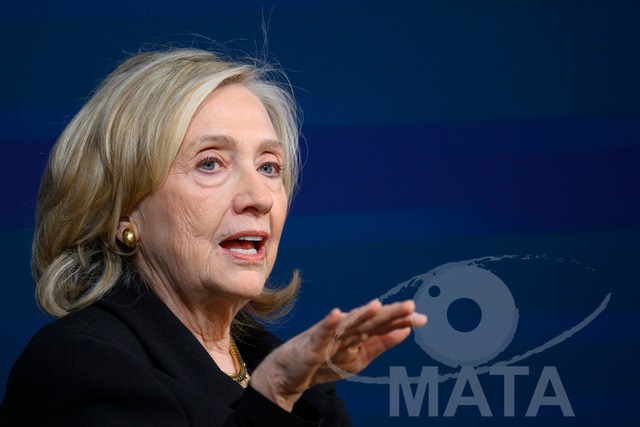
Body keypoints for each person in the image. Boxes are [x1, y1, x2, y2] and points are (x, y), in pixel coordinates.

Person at [0, 48, 427, 426]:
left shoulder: (284, 366)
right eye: (210, 163)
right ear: (123, 208)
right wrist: (274, 395)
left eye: (269, 167)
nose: (259, 198)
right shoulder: (79, 364)